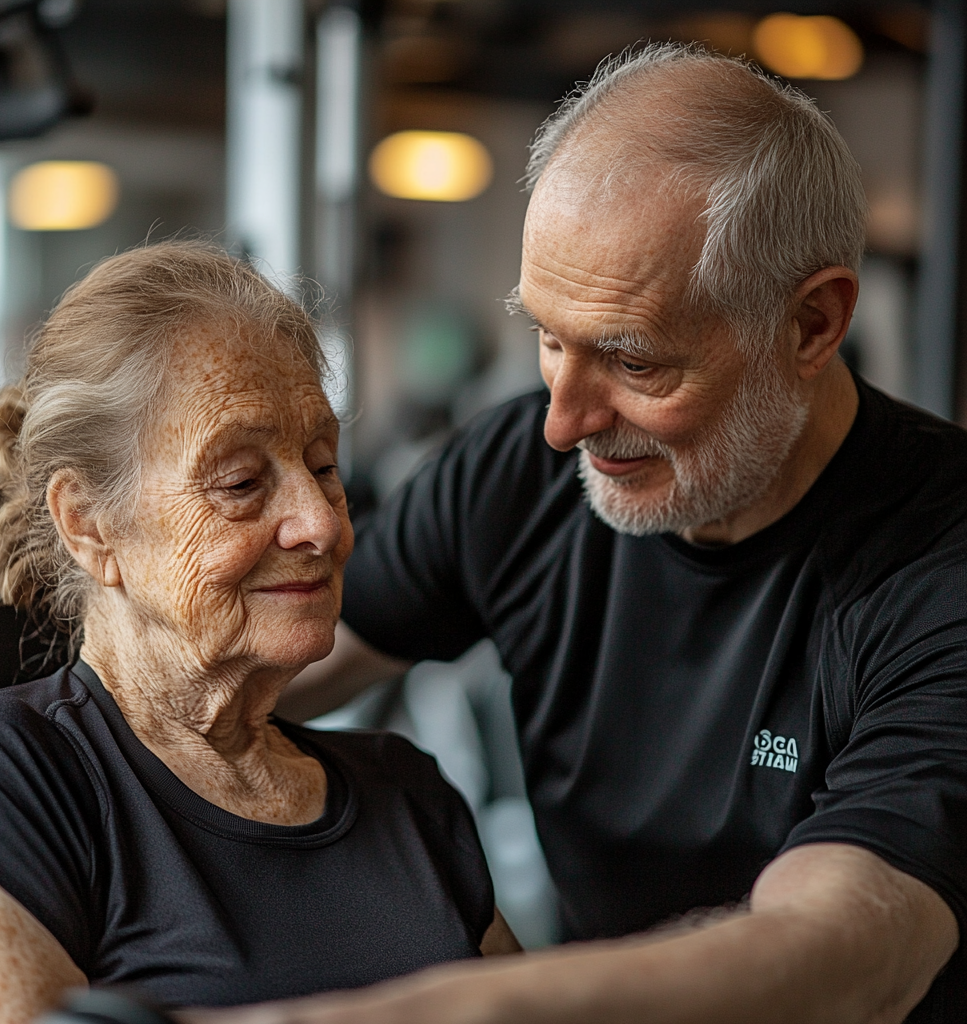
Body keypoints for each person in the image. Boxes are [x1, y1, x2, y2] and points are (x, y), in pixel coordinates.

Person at [190, 45, 967, 1024]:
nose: (564, 421)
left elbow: (834, 958)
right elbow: (225, 684)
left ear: (811, 324)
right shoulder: (524, 466)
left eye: (633, 362)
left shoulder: (939, 568)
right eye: (549, 339)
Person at [0, 242, 519, 1024]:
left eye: (323, 465)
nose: (320, 523)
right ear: (89, 526)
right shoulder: (11, 776)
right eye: (242, 483)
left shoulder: (409, 794)